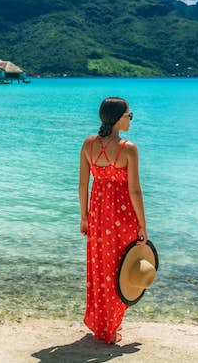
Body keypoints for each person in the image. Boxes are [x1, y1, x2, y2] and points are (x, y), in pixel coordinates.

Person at [79, 96, 148, 344]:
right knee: (121, 269)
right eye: (129, 114)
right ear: (119, 118)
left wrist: (84, 217)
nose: (131, 119)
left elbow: (83, 185)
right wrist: (143, 224)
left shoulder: (88, 145)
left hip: (98, 216)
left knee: (100, 269)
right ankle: (111, 326)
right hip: (123, 217)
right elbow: (135, 191)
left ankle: (102, 325)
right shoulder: (128, 148)